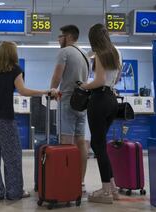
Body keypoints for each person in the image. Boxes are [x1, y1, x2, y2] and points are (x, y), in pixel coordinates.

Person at [0, 41, 56, 202]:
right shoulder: (15, 70)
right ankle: (14, 192)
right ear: (13, 54)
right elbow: (23, 91)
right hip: (4, 119)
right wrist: (44, 91)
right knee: (12, 156)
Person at [79, 23, 122, 204]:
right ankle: (112, 187)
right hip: (112, 100)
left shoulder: (100, 55)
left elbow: (99, 80)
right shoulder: (116, 52)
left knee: (98, 146)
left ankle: (105, 191)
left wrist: (82, 86)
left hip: (99, 100)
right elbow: (116, 78)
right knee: (100, 145)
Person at [50, 25, 90, 192]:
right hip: (82, 102)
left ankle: (65, 180)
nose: (59, 39)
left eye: (60, 36)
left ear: (68, 37)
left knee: (65, 142)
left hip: (67, 101)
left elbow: (57, 76)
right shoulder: (85, 54)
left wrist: (51, 90)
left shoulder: (64, 52)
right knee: (81, 142)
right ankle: (80, 181)